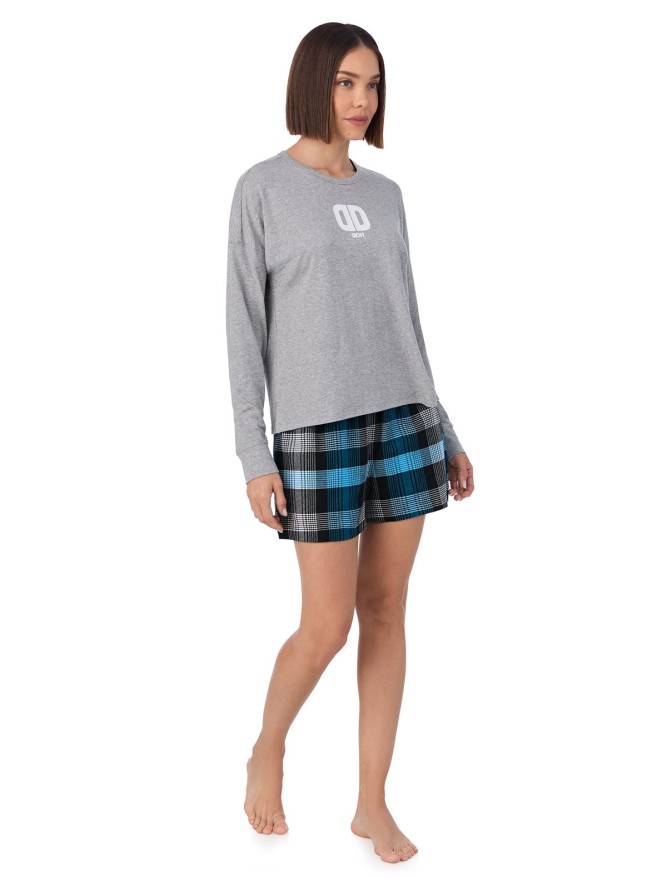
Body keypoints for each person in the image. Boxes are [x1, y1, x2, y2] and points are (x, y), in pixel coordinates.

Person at [225, 22, 475, 864]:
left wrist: (445, 428)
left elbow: (405, 320)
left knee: (387, 610)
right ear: (313, 85)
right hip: (315, 430)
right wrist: (254, 455)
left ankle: (371, 800)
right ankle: (267, 747)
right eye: (344, 83)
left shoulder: (387, 195)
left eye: (371, 83)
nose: (361, 99)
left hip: (404, 420)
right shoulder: (261, 189)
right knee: (326, 624)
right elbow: (242, 327)